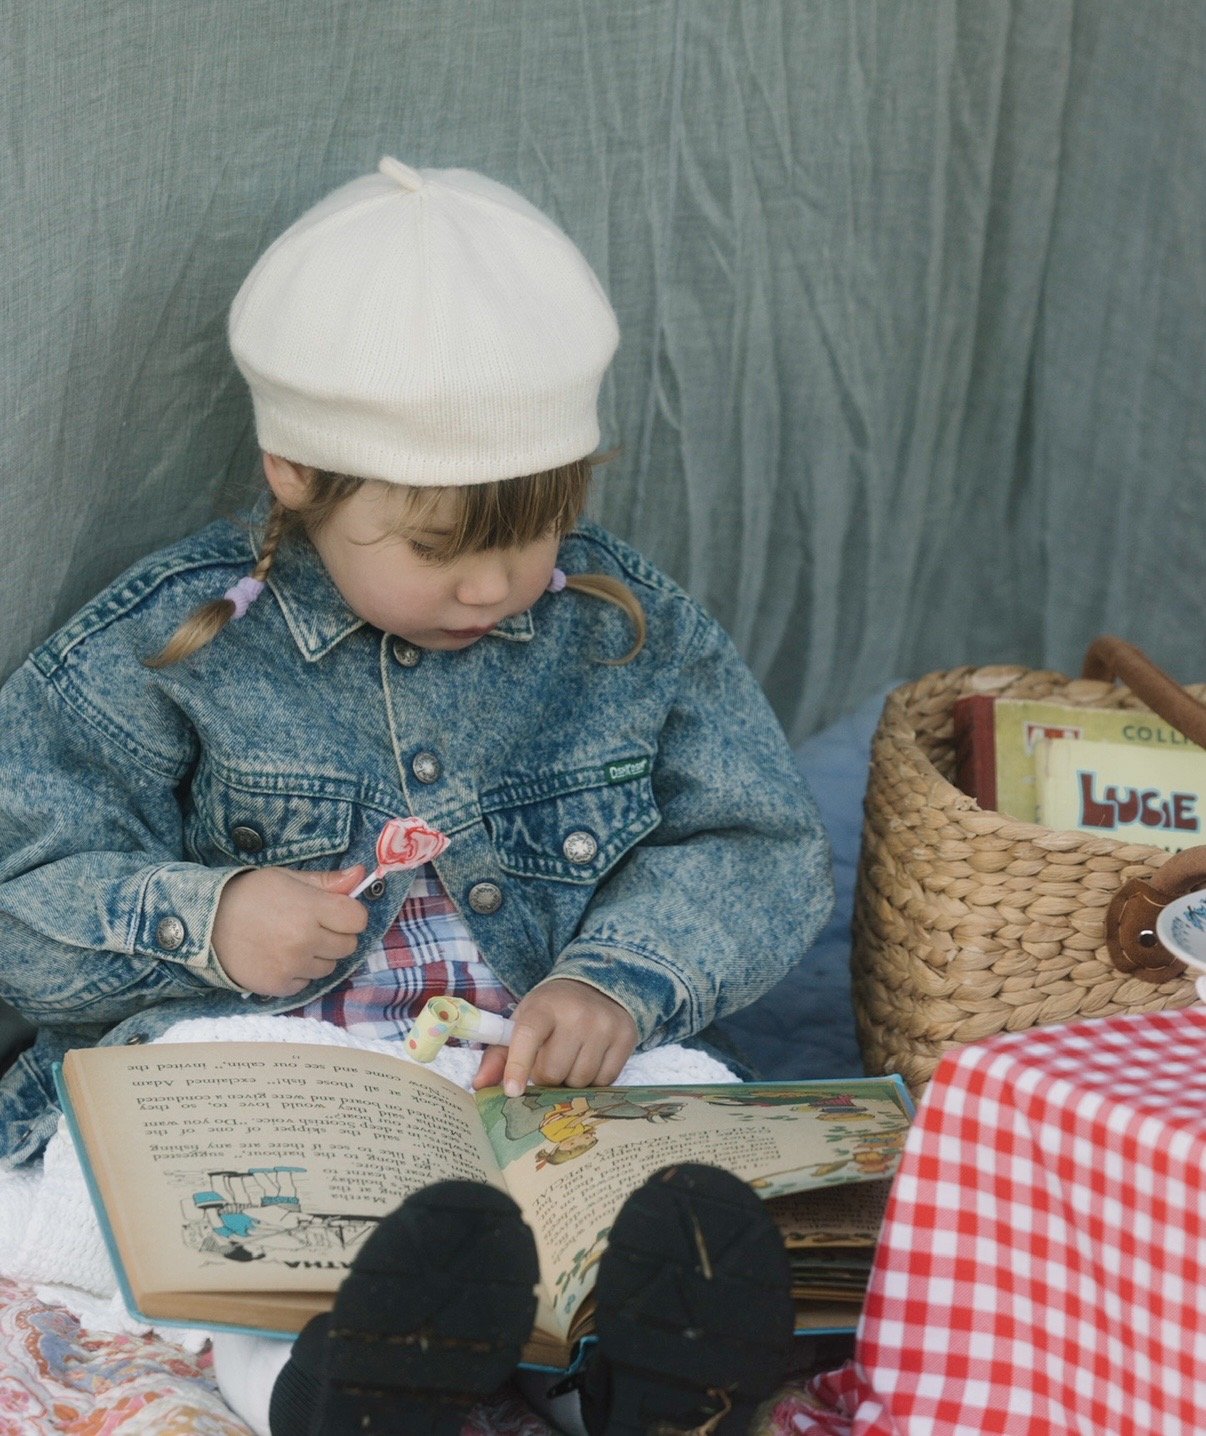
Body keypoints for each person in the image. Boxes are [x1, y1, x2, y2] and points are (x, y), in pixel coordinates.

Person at [0, 157, 833, 1431]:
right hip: (306, 1082)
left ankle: (661, 1380)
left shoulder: (626, 628)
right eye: (443, 546)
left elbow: (758, 844)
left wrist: (618, 977)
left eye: (536, 527)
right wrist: (208, 916)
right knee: (221, 1144)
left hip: (537, 1086)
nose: (496, 587)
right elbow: (23, 893)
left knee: (702, 1121)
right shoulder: (168, 643)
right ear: (296, 473)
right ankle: (359, 1386)